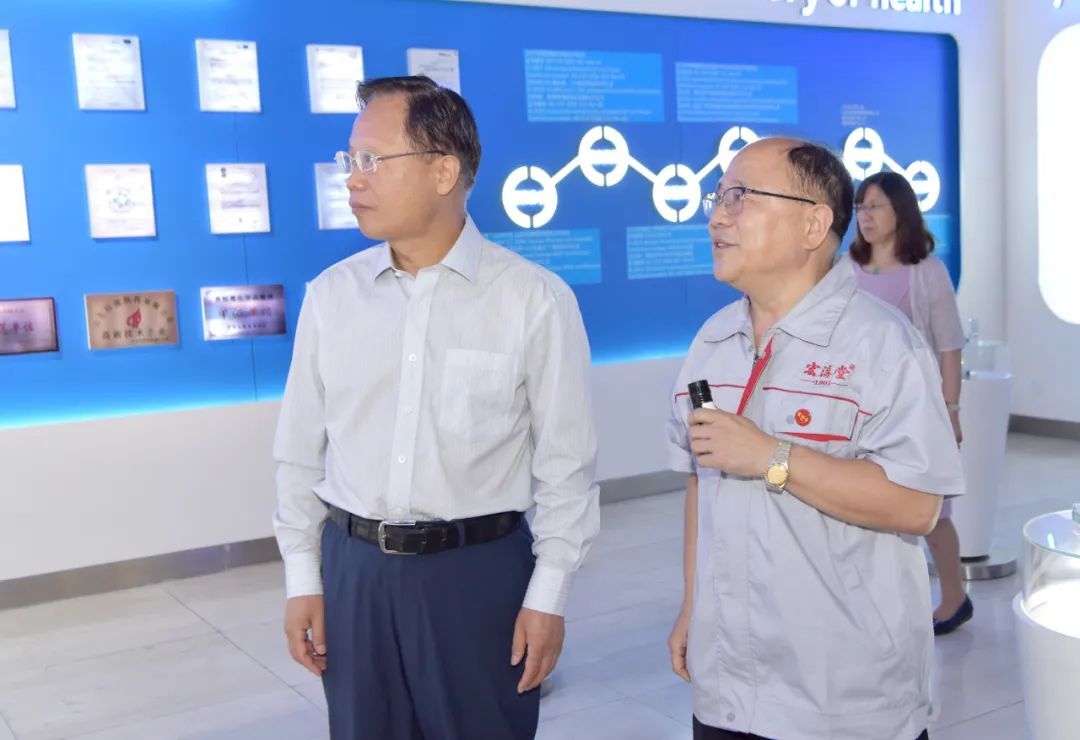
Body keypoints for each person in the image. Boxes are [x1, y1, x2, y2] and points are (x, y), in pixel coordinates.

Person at [272, 75, 599, 740]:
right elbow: (299, 452)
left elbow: (567, 468)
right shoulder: (332, 297)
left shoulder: (533, 300)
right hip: (355, 573)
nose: (352, 179)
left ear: (444, 170)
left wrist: (549, 595)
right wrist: (304, 577)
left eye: (372, 160)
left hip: (477, 576)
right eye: (349, 160)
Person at [665, 137, 964, 740]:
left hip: (842, 697)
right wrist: (695, 605)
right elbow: (704, 480)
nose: (717, 218)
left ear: (813, 224)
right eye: (718, 198)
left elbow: (917, 505)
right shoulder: (712, 342)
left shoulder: (881, 345)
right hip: (726, 691)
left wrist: (772, 457)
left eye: (740, 197)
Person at [845, 171, 971, 635]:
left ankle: (954, 596)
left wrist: (951, 410)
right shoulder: (846, 268)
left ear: (900, 211)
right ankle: (877, 606)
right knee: (864, 505)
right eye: (860, 207)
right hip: (859, 409)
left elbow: (949, 345)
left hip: (915, 409)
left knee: (929, 510)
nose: (865, 216)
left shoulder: (927, 271)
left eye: (875, 206)